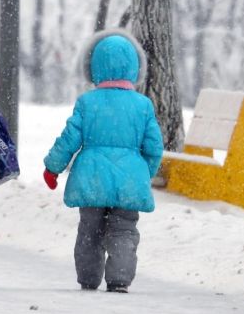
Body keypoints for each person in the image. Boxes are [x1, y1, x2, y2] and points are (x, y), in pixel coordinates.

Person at [42, 29, 164, 293]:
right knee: (124, 229)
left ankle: (88, 277)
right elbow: (154, 148)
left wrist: (53, 167)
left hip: (92, 177)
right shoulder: (142, 105)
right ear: (134, 68)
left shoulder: (87, 103)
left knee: (90, 230)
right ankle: (120, 279)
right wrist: (144, 172)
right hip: (129, 178)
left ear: (94, 67)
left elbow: (69, 139)